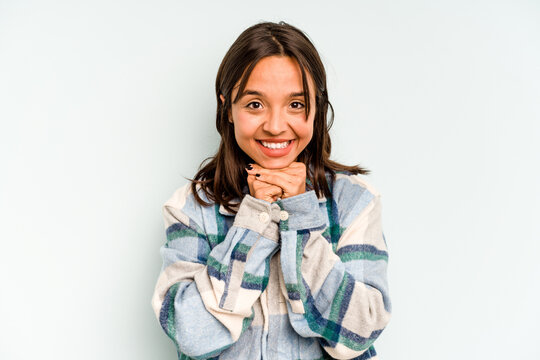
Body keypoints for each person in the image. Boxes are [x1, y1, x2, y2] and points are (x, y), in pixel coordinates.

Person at [151, 21, 391, 360]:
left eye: (295, 104)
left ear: (317, 107)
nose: (276, 126)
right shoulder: (190, 208)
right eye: (254, 104)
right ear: (227, 107)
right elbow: (192, 335)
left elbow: (358, 334)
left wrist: (300, 217)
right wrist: (254, 221)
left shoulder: (355, 201)